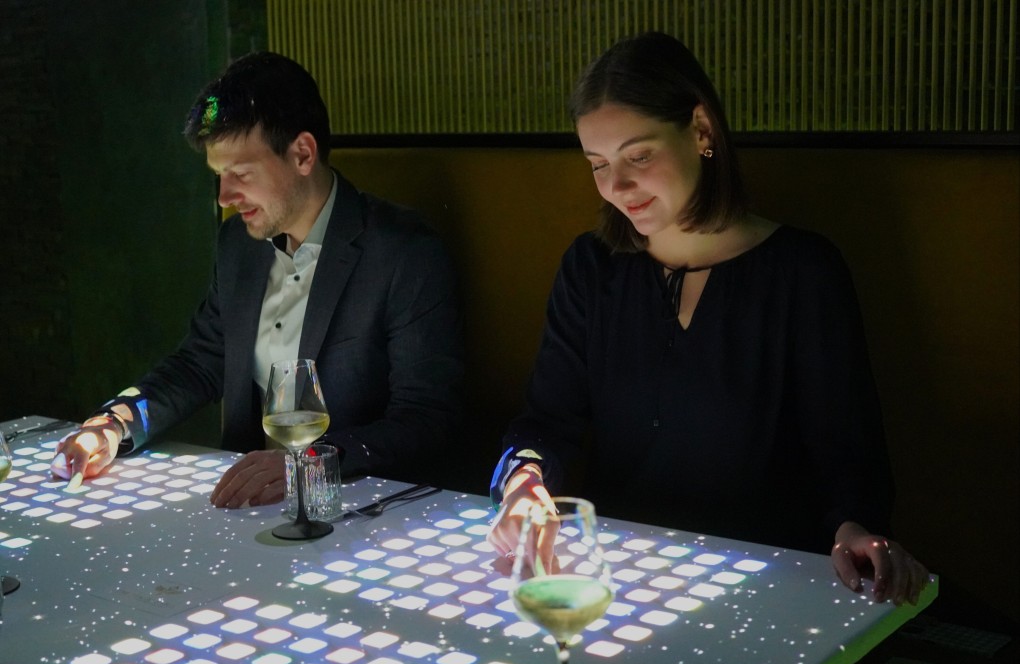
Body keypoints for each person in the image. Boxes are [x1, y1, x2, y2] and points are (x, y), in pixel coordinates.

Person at [487, 32, 929, 606]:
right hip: (621, 575)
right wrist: (524, 482)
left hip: (766, 576)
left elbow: (847, 452)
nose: (616, 188)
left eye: (638, 155)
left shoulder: (803, 271)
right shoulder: (592, 268)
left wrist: (853, 527)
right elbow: (548, 421)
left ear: (700, 131)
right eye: (598, 164)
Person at [50, 52, 463, 507]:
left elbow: (425, 419)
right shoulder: (239, 244)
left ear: (302, 154)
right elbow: (200, 362)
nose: (225, 198)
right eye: (219, 176)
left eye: (241, 174)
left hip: (362, 511)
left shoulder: (404, 251)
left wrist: (310, 464)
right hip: (247, 510)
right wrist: (114, 423)